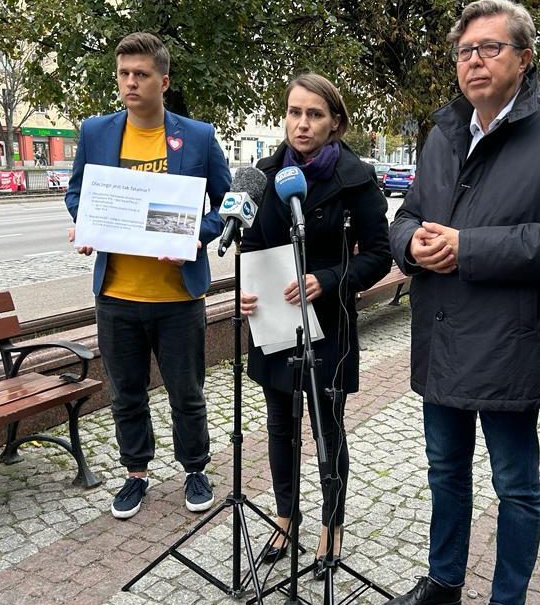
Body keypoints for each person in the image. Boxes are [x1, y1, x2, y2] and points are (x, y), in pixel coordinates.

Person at [375, 0, 540, 605]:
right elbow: (410, 212)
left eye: (490, 48)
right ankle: (444, 584)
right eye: (464, 51)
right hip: (442, 333)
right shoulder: (444, 129)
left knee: (515, 484)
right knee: (445, 472)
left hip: (510, 339)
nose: (474, 61)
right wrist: (410, 243)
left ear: (524, 57)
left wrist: (468, 248)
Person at [65, 32, 231, 519]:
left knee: (187, 392)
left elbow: (229, 203)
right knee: (126, 394)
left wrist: (198, 235)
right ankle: (135, 473)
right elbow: (77, 193)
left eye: (141, 74)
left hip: (178, 297)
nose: (130, 83)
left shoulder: (196, 136)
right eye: (123, 74)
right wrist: (87, 221)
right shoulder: (96, 132)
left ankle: (195, 468)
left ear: (163, 80)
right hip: (117, 293)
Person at [239, 74, 391, 577]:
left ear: (335, 123)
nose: (302, 124)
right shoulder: (265, 174)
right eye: (294, 112)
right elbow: (252, 246)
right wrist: (246, 289)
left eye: (314, 115)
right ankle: (285, 520)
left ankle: (331, 529)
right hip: (274, 321)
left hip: (330, 324)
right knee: (280, 427)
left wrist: (327, 279)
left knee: (328, 430)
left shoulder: (356, 179)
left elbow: (378, 256)